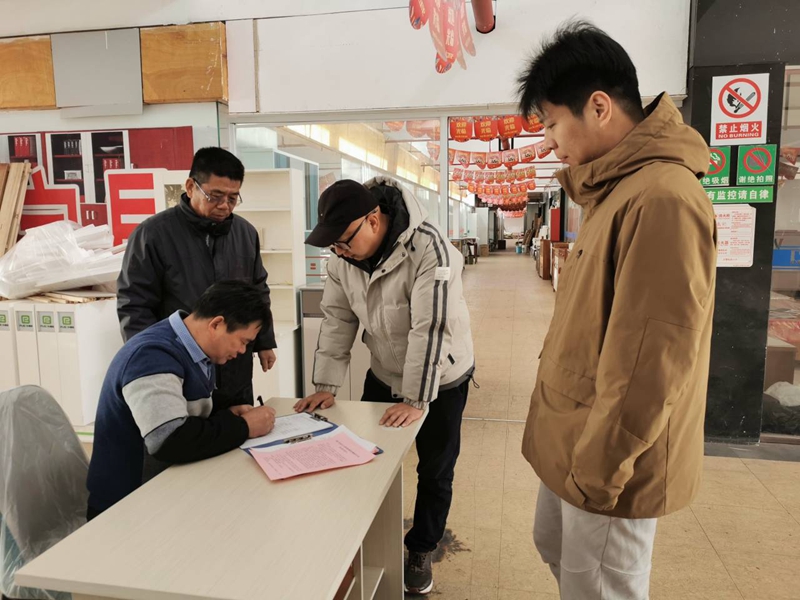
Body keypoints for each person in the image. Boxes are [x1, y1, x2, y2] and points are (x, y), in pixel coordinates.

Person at [516, 21, 717, 598]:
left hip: (609, 457)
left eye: (552, 122)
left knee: (601, 587)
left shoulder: (662, 198)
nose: (550, 142)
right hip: (576, 434)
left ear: (599, 107)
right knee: (557, 550)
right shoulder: (612, 190)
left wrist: (600, 472)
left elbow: (651, 363)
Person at [294, 178, 475, 595]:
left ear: (373, 220)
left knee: (435, 469)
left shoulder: (430, 249)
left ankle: (421, 548)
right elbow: (337, 319)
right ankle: (368, 539)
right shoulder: (343, 259)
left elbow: (430, 327)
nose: (339, 251)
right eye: (333, 245)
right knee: (366, 458)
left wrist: (416, 399)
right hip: (384, 371)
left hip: (441, 378)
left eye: (344, 241)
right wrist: (326, 384)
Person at [87, 281, 277, 519]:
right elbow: (169, 440)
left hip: (165, 489)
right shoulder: (151, 356)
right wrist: (244, 427)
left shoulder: (191, 346)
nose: (242, 351)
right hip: (126, 507)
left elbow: (189, 403)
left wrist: (228, 411)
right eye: (243, 341)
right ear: (216, 324)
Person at [117, 147, 276, 412]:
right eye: (215, 196)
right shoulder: (153, 234)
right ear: (191, 187)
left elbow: (258, 291)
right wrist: (151, 359)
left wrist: (264, 341)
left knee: (239, 425)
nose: (224, 205)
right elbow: (134, 304)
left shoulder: (245, 233)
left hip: (234, 363)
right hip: (180, 362)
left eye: (233, 198)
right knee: (191, 430)